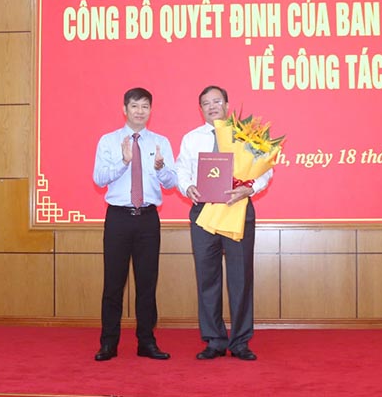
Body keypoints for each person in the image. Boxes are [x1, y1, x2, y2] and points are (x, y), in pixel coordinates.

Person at [174, 85, 272, 361]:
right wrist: (187, 187)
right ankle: (214, 340)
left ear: (227, 104)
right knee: (207, 278)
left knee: (241, 278)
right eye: (206, 103)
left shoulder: (245, 134)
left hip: (237, 209)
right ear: (201, 108)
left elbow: (267, 168)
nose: (212, 106)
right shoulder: (191, 139)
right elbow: (182, 168)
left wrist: (250, 189)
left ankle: (240, 341)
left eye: (217, 101)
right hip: (204, 213)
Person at [91, 87, 178, 361]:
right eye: (134, 106)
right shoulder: (108, 141)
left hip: (148, 220)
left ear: (151, 110)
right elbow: (98, 177)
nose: (140, 111)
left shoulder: (160, 142)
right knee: (113, 284)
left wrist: (162, 168)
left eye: (145, 107)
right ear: (124, 109)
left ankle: (146, 342)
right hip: (118, 218)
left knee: (147, 284)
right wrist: (124, 161)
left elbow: (172, 182)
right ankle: (108, 343)